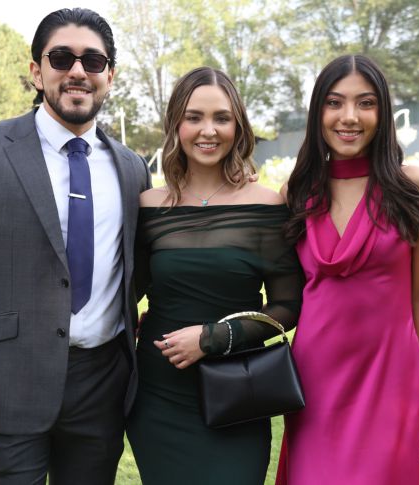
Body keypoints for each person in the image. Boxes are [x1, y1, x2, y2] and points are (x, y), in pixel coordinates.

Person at [0, 8, 151, 484]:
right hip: (5, 388)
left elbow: (138, 271)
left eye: (93, 61)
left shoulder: (132, 168)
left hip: (102, 390)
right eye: (61, 57)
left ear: (109, 75)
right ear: (35, 71)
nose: (77, 72)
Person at [125, 66, 304, 485]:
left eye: (221, 118)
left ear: (237, 126)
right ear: (176, 125)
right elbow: (127, 292)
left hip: (236, 394)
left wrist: (212, 338)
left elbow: (288, 306)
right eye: (194, 117)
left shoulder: (267, 205)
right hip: (158, 397)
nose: (209, 130)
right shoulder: (148, 206)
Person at [275, 54, 419, 484]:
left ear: (382, 113)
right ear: (318, 113)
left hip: (393, 384)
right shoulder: (294, 193)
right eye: (335, 103)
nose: (349, 117)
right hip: (315, 388)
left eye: (365, 103)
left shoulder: (413, 188)